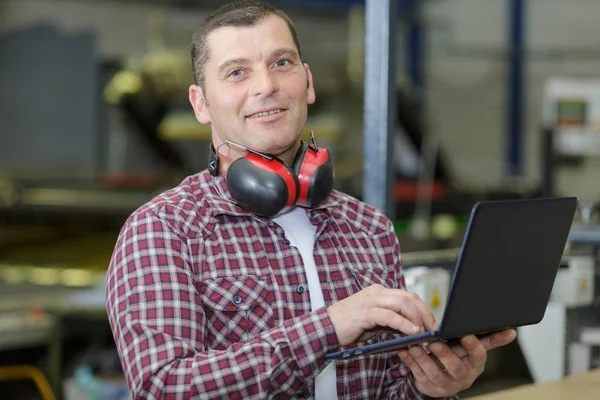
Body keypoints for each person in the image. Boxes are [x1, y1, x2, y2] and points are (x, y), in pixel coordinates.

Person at [105, 1, 517, 399]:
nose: (266, 86)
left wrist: (430, 387)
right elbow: (165, 387)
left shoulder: (369, 228)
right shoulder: (163, 230)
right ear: (200, 103)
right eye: (236, 73)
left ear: (308, 82)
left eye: (281, 63)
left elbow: (387, 387)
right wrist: (329, 328)